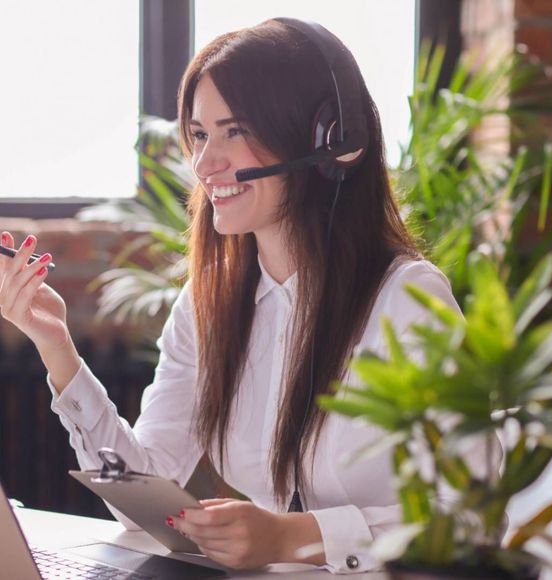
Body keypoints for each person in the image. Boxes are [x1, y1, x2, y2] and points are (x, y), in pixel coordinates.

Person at [0, 18, 461, 573]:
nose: (204, 164)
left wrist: (293, 538)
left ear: (327, 141)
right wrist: (58, 350)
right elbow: (146, 485)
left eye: (234, 130)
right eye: (199, 134)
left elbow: (468, 520)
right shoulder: (208, 301)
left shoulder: (407, 299)